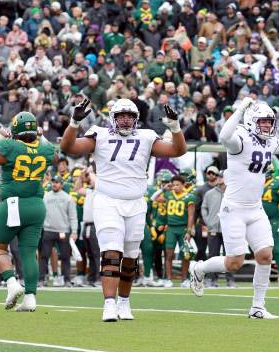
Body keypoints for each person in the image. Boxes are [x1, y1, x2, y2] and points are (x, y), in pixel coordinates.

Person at [188, 96, 279, 319]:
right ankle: (199, 268)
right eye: (263, 122)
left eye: (270, 122)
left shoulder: (268, 142)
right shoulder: (240, 139)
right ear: (250, 121)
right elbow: (224, 136)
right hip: (234, 209)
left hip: (255, 208)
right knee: (234, 262)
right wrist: (239, 110)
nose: (268, 126)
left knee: (265, 255)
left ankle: (258, 307)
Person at [60, 97, 186, 322]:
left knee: (130, 257)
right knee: (111, 252)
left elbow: (177, 150)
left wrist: (175, 127)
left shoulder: (146, 137)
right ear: (113, 118)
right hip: (108, 200)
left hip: (136, 202)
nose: (126, 121)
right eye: (122, 116)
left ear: (136, 119)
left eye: (130, 116)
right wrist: (74, 123)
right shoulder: (100, 134)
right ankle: (109, 304)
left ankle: (124, 302)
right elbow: (68, 148)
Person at [0, 112, 57, 311]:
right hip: (37, 205)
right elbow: (53, 156)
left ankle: (12, 283)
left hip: (14, 203)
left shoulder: (11, 145)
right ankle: (30, 299)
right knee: (29, 252)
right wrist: (41, 136)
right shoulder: (45, 148)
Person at [39, 175, 78, 287]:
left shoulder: (68, 198)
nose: (54, 184)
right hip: (48, 229)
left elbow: (73, 216)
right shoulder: (46, 197)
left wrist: (74, 231)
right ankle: (41, 279)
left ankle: (66, 280)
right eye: (53, 182)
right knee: (44, 256)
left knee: (65, 256)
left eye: (57, 182)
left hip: (63, 231)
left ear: (61, 184)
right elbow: (42, 214)